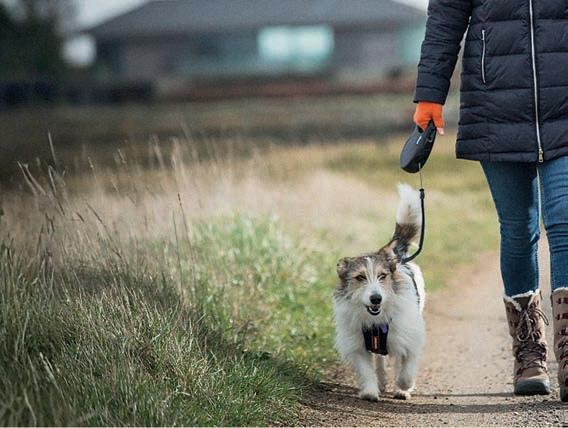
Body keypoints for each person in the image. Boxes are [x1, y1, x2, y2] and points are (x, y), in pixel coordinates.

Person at [413, 0, 568, 400]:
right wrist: (430, 94)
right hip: (496, 105)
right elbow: (445, 18)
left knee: (565, 220)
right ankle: (529, 350)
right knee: (517, 229)